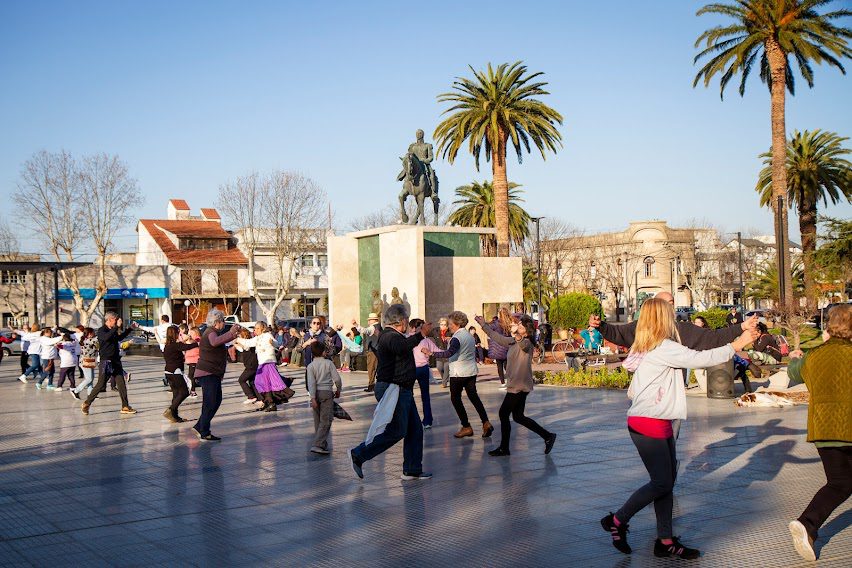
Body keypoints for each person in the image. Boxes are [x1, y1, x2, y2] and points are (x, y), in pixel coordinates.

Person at [601, 298, 755, 559]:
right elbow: (701, 358)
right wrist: (736, 345)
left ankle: (665, 540)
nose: (674, 318)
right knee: (662, 482)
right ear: (662, 318)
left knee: (666, 483)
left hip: (658, 422)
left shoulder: (653, 346)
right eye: (670, 314)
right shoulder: (663, 347)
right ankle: (617, 520)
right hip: (648, 423)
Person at [786, 304, 851, 562]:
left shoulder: (813, 355)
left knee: (839, 482)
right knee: (843, 483)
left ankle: (808, 524)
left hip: (823, 428)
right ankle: (807, 522)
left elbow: (793, 372)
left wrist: (795, 357)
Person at [350, 305, 433, 481]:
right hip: (393, 389)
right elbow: (402, 347)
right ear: (402, 321)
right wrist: (421, 334)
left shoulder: (394, 336)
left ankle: (412, 469)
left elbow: (403, 346)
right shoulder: (389, 336)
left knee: (415, 430)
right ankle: (359, 454)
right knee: (397, 430)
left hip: (402, 389)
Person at [476, 314, 556, 457]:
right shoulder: (513, 341)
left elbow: (523, 345)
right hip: (517, 384)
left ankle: (504, 448)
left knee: (503, 413)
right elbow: (497, 337)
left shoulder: (528, 343)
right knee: (518, 416)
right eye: (517, 325)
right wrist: (483, 325)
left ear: (527, 330)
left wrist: (517, 336)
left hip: (519, 385)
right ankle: (548, 436)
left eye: (521, 326)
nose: (518, 327)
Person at [427, 311, 494, 439]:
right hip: (471, 371)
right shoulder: (468, 335)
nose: (449, 326)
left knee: (455, 399)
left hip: (458, 373)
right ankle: (485, 422)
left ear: (456, 324)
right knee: (474, 398)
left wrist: (431, 353)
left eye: (450, 324)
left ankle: (466, 426)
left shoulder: (456, 338)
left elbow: (448, 353)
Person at [191, 310, 240, 440]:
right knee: (210, 402)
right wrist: (231, 332)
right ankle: (204, 431)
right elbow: (214, 342)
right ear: (217, 322)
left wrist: (232, 335)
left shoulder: (213, 332)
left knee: (215, 401)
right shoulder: (210, 332)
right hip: (208, 373)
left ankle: (200, 425)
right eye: (223, 320)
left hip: (213, 373)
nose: (224, 323)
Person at [81, 312, 138, 415]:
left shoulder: (113, 330)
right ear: (110, 320)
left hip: (116, 360)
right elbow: (107, 337)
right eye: (115, 320)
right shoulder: (101, 330)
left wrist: (130, 328)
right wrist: (116, 327)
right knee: (101, 384)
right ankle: (87, 403)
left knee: (121, 384)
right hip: (106, 361)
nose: (117, 321)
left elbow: (119, 338)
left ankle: (125, 406)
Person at [242, 321, 292, 412]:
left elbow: (277, 343)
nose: (255, 330)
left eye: (257, 328)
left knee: (264, 383)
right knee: (260, 383)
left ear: (263, 329)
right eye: (255, 328)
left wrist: (272, 342)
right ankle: (269, 402)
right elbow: (248, 343)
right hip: (262, 363)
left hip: (268, 362)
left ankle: (270, 403)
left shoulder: (267, 335)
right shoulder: (257, 338)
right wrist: (237, 339)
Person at [307, 342, 343, 455]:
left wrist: (312, 398)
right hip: (326, 393)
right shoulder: (329, 363)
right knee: (326, 420)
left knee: (318, 420)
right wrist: (338, 390)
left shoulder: (310, 366)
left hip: (315, 394)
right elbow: (337, 379)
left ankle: (322, 444)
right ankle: (317, 444)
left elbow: (311, 383)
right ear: (323, 352)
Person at [162, 325, 198, 423]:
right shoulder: (175, 345)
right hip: (175, 372)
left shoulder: (168, 345)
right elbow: (188, 346)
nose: (179, 334)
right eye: (178, 332)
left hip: (168, 372)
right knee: (184, 392)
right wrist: (197, 342)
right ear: (175, 333)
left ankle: (174, 416)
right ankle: (171, 410)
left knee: (176, 394)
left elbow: (181, 346)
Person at [410, 318, 438, 429]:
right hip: (423, 368)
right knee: (425, 396)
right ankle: (427, 420)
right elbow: (437, 351)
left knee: (409, 395)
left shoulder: (408, 338)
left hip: (412, 369)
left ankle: (412, 420)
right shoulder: (426, 340)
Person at [233, 328, 260, 405]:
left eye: (240, 335)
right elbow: (242, 349)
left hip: (251, 365)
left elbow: (246, 347)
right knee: (252, 382)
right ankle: (259, 398)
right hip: (251, 365)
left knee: (241, 380)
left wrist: (238, 341)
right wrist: (235, 343)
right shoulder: (247, 342)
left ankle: (251, 396)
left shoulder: (249, 342)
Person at [488, 310, 513, 390]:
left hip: (498, 346)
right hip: (506, 346)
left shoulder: (496, 323)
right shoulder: (508, 323)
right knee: (507, 365)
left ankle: (503, 382)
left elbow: (489, 329)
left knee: (499, 366)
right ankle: (511, 380)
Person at [357, 313, 382, 392]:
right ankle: (377, 385)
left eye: (369, 320)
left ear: (373, 320)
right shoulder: (379, 327)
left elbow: (365, 331)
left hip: (373, 352)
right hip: (378, 351)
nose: (368, 322)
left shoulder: (373, 327)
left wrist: (356, 325)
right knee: (376, 368)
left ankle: (371, 385)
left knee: (371, 369)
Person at [71, 328, 97, 399]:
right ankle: (76, 391)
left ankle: (90, 394)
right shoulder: (88, 340)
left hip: (90, 361)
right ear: (89, 334)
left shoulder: (88, 340)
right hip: (85, 361)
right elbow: (98, 339)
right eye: (93, 332)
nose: (94, 334)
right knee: (89, 379)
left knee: (91, 378)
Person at [432, 317, 452, 388]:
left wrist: (450, 339)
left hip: (448, 353)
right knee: (439, 367)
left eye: (444, 325)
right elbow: (427, 334)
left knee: (446, 367)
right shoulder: (435, 331)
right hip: (439, 352)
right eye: (441, 324)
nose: (443, 326)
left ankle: (444, 383)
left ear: (447, 325)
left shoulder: (450, 332)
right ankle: (445, 379)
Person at [184, 326, 201, 398]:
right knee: (192, 376)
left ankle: (193, 392)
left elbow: (191, 343)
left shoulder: (197, 339)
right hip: (192, 360)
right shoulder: (194, 339)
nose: (190, 334)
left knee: (191, 376)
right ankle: (191, 390)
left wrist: (187, 337)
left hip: (195, 360)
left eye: (191, 333)